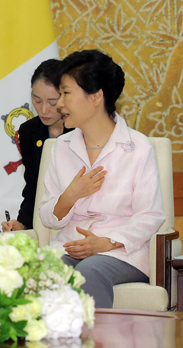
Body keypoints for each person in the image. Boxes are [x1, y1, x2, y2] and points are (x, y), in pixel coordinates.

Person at [38, 49, 164, 308]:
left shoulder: (138, 148)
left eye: (66, 93)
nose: (59, 103)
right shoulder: (61, 148)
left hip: (121, 251)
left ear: (95, 97)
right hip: (69, 246)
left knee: (90, 271)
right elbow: (47, 217)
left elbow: (150, 216)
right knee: (43, 272)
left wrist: (105, 243)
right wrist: (70, 195)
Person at [2, 59, 72, 232]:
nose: (44, 110)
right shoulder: (28, 131)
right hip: (44, 221)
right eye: (37, 100)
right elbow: (34, 185)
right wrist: (22, 223)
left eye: (52, 102)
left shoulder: (82, 129)